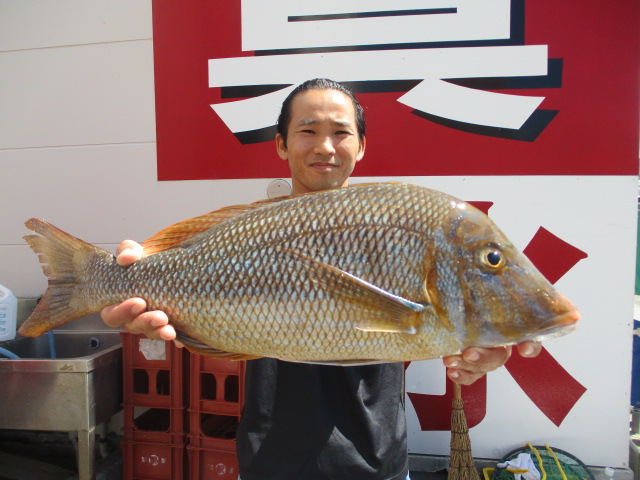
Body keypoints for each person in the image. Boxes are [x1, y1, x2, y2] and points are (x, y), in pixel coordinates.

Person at [102, 78, 541, 479]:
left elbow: (430, 327)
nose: (325, 146)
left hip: (378, 464)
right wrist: (140, 283)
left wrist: (477, 345)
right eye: (308, 131)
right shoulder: (250, 231)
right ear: (281, 144)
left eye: (341, 132)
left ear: (362, 146)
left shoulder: (394, 228)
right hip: (270, 462)